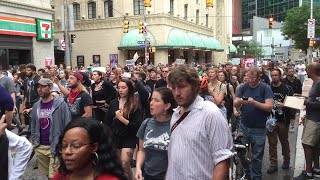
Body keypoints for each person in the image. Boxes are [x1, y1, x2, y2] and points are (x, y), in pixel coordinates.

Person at [165, 65, 233, 180]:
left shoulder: (210, 113)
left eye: (182, 87)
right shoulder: (175, 115)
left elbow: (222, 162)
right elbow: (173, 158)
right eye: (173, 88)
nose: (176, 93)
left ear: (195, 87)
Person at [53, 118, 127, 180]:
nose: (67, 152)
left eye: (76, 146)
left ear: (94, 147)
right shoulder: (60, 176)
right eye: (64, 145)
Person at [233, 66, 274, 180]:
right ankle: (246, 173)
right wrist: (240, 101)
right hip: (244, 126)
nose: (250, 80)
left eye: (253, 77)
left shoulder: (265, 88)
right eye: (248, 77)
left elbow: (269, 107)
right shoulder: (243, 87)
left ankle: (256, 176)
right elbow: (235, 102)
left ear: (258, 77)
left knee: (257, 156)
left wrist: (255, 103)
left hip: (259, 128)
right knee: (241, 152)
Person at [30, 78, 72, 179]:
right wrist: (35, 141)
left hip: (55, 146)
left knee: (54, 176)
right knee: (47, 175)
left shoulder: (61, 104)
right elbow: (34, 124)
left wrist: (64, 144)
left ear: (50, 88)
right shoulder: (36, 106)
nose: (40, 89)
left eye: (43, 86)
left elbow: (67, 124)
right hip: (40, 146)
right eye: (38, 87)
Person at [104, 79, 143, 180]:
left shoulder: (135, 104)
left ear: (129, 89)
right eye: (119, 87)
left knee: (124, 163)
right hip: (115, 137)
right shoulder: (113, 103)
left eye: (123, 87)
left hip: (129, 137)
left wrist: (122, 119)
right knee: (119, 167)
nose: (120, 90)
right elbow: (107, 122)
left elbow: (137, 125)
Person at [135, 87, 177, 180]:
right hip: (147, 175)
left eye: (156, 100)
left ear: (167, 106)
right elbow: (141, 150)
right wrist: (138, 168)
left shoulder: (176, 126)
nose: (151, 103)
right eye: (151, 99)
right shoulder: (146, 123)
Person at [293, 62, 320, 180]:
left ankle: (308, 172)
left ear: (312, 71)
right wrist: (303, 97)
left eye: (308, 69)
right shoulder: (316, 83)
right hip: (312, 117)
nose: (306, 71)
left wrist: (305, 102)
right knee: (315, 145)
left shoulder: (319, 83)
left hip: (315, 120)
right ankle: (317, 169)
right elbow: (315, 99)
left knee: (307, 144)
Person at [266, 69, 293, 174]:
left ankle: (286, 160)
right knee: (272, 143)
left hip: (283, 120)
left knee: (284, 141)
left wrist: (284, 105)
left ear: (280, 76)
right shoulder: (267, 88)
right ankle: (273, 164)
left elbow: (293, 103)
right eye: (272, 75)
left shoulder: (287, 88)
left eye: (276, 75)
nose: (274, 77)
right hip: (270, 120)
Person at [283, 66, 303, 133]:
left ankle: (292, 126)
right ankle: (285, 125)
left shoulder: (297, 81)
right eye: (289, 72)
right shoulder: (284, 81)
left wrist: (298, 96)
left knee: (292, 113)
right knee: (285, 112)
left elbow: (300, 91)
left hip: (294, 99)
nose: (291, 73)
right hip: (286, 98)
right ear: (287, 73)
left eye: (292, 71)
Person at [21, 64, 40, 129]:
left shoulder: (38, 80)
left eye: (28, 70)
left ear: (33, 71)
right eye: (26, 70)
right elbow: (26, 93)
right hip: (28, 102)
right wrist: (24, 103)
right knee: (29, 118)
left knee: (35, 119)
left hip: (36, 101)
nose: (26, 71)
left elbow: (40, 93)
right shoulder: (26, 80)